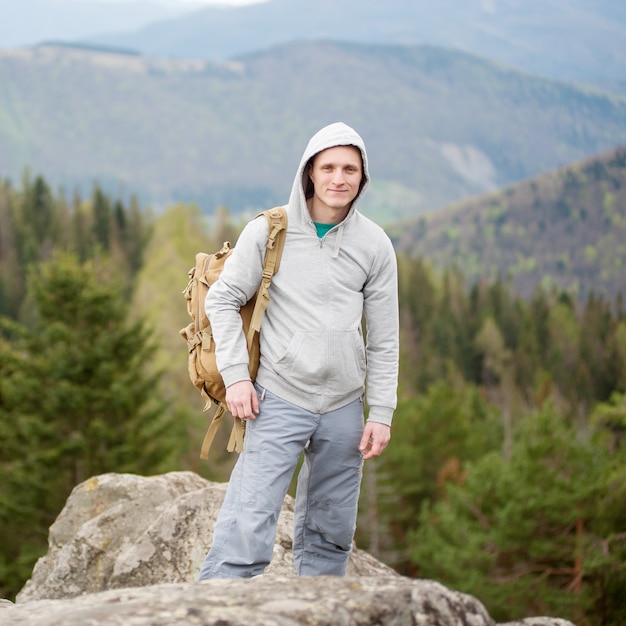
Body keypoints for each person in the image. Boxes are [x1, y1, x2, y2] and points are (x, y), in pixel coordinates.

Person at [197, 121, 399, 579]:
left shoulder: (375, 245)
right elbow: (221, 299)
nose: (338, 178)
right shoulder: (270, 232)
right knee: (246, 527)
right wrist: (236, 377)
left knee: (331, 533)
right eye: (328, 167)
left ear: (362, 177)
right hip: (276, 398)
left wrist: (381, 412)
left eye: (350, 168)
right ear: (309, 171)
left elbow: (385, 339)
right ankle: (217, 608)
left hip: (345, 408)